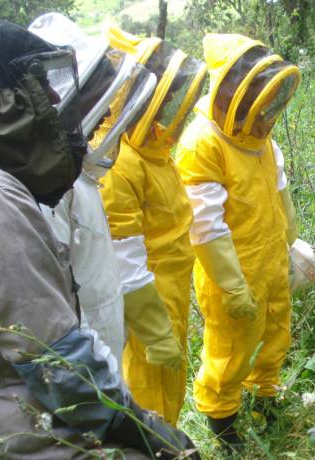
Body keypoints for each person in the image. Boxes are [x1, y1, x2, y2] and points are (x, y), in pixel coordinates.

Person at [0, 20, 198, 458]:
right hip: (34, 422)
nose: (52, 97)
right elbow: (54, 359)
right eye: (38, 83)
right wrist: (141, 429)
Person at [175, 33, 300, 452]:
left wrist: (293, 244)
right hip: (232, 274)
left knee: (275, 333)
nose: (265, 117)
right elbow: (205, 227)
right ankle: (223, 425)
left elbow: (279, 192)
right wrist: (231, 285)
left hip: (271, 262)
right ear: (233, 96)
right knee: (231, 350)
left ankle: (265, 402)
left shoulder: (262, 139)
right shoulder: (202, 144)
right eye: (255, 104)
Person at [29, 12, 159, 364]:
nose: (105, 117)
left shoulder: (78, 171)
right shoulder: (48, 191)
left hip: (103, 352)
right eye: (99, 101)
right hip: (86, 369)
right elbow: (57, 314)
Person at [99, 24, 208, 425]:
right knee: (149, 393)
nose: (166, 117)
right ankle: (158, 447)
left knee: (169, 386)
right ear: (132, 99)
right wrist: (155, 332)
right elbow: (124, 261)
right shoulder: (119, 165)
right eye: (160, 103)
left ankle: (169, 440)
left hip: (170, 293)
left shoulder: (152, 148)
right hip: (148, 304)